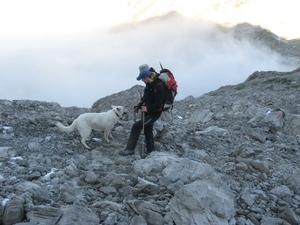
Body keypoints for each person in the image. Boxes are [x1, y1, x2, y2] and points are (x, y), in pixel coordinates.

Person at [119, 67, 167, 157]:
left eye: (142, 79)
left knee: (136, 126)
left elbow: (159, 105)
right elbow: (146, 99)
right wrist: (138, 107)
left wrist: (148, 109)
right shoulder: (149, 85)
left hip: (154, 114)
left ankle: (129, 149)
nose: (142, 81)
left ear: (146, 78)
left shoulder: (159, 87)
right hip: (148, 112)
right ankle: (151, 152)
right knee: (148, 131)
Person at [139, 64, 169, 142]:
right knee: (151, 116)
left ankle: (161, 129)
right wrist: (142, 100)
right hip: (153, 103)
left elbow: (151, 92)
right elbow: (148, 92)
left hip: (156, 103)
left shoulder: (153, 79)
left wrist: (147, 106)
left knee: (151, 116)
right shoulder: (152, 76)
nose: (142, 80)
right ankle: (159, 131)